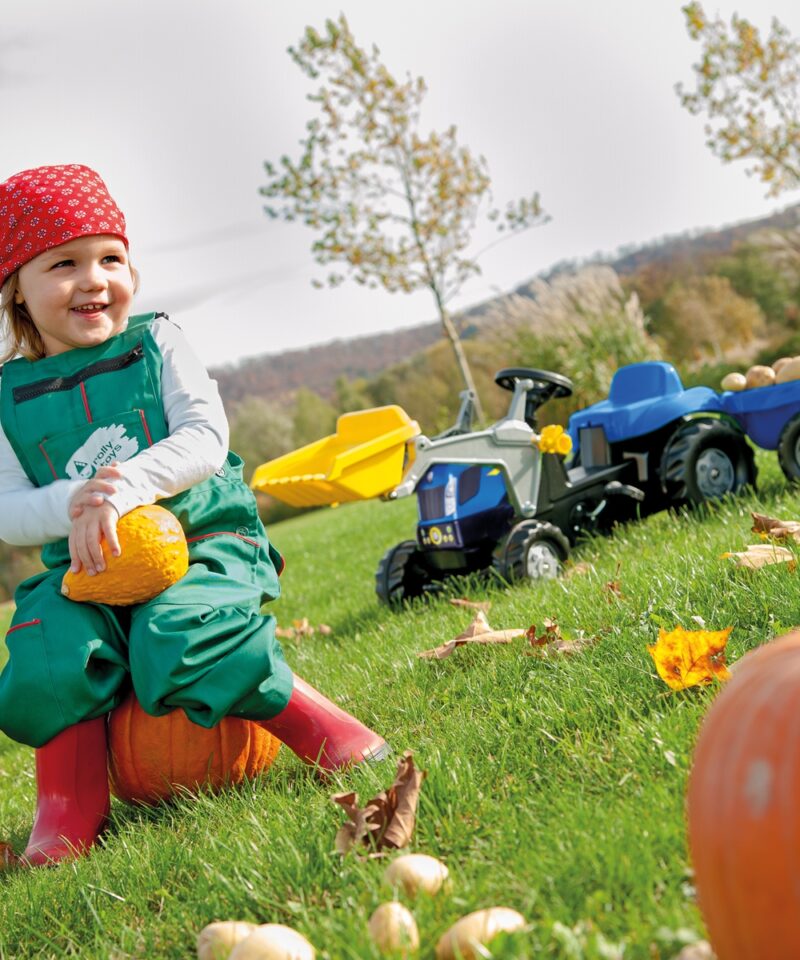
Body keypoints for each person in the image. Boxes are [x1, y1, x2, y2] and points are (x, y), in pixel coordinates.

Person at [0, 164, 389, 867]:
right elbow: (8, 511)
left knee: (180, 626)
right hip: (91, 568)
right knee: (46, 638)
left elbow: (205, 438)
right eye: (64, 264)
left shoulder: (158, 343)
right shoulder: (8, 396)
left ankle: (323, 730)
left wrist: (124, 485)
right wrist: (72, 502)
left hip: (205, 538)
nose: (93, 280)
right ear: (17, 290)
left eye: (109, 258)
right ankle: (67, 808)